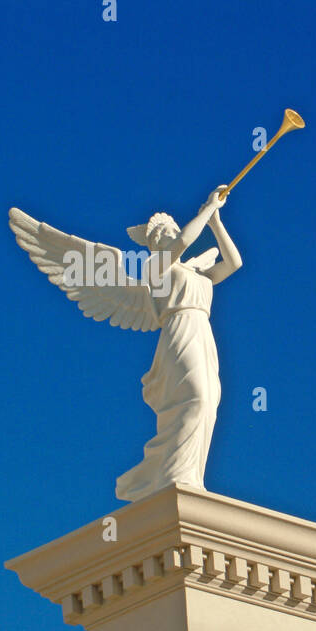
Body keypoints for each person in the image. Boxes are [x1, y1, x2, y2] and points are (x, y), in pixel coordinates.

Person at [116, 188, 240, 501]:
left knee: (209, 402)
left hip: (202, 334)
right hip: (179, 332)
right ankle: (175, 476)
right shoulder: (157, 269)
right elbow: (184, 241)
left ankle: (189, 477)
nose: (169, 237)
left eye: (170, 231)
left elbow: (234, 263)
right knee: (195, 398)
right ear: (153, 244)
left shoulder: (197, 272)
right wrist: (208, 209)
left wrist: (215, 223)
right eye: (161, 235)